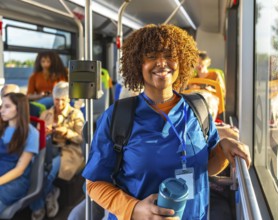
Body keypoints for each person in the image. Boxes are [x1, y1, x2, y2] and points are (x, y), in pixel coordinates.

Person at [82, 24, 250, 220]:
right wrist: (134, 209)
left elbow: (207, 166)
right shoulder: (118, 116)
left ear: (182, 61)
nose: (162, 63)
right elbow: (94, 184)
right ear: (138, 64)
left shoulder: (198, 108)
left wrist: (224, 148)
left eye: (170, 55)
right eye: (151, 56)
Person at [30, 81, 85, 220]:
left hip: (68, 150)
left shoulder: (76, 114)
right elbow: (36, 136)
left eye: (62, 100)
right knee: (35, 172)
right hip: (48, 149)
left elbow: (81, 139)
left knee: (48, 173)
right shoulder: (45, 114)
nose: (59, 104)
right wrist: (45, 132)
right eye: (56, 100)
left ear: (68, 99)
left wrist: (65, 132)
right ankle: (47, 197)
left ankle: (39, 205)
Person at [0, 93, 39, 213]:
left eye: (7, 107)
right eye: (2, 106)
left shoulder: (31, 134)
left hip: (14, 182)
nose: (1, 110)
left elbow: (19, 170)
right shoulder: (2, 128)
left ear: (19, 108)